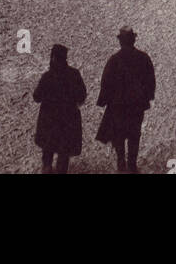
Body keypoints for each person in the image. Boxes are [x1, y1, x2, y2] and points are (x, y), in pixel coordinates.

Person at [95, 27, 157, 173]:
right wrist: (147, 98)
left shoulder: (114, 60)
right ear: (133, 40)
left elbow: (106, 83)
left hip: (118, 107)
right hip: (137, 107)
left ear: (121, 41)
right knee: (134, 135)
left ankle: (121, 165)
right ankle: (132, 166)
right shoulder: (143, 58)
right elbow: (150, 81)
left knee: (119, 136)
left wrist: (103, 101)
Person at [33, 44, 87, 174]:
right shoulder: (74, 74)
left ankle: (46, 167)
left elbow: (36, 97)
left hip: (49, 119)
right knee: (64, 148)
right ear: (65, 58)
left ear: (53, 58)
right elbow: (82, 96)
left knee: (48, 145)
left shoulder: (48, 76)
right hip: (68, 120)